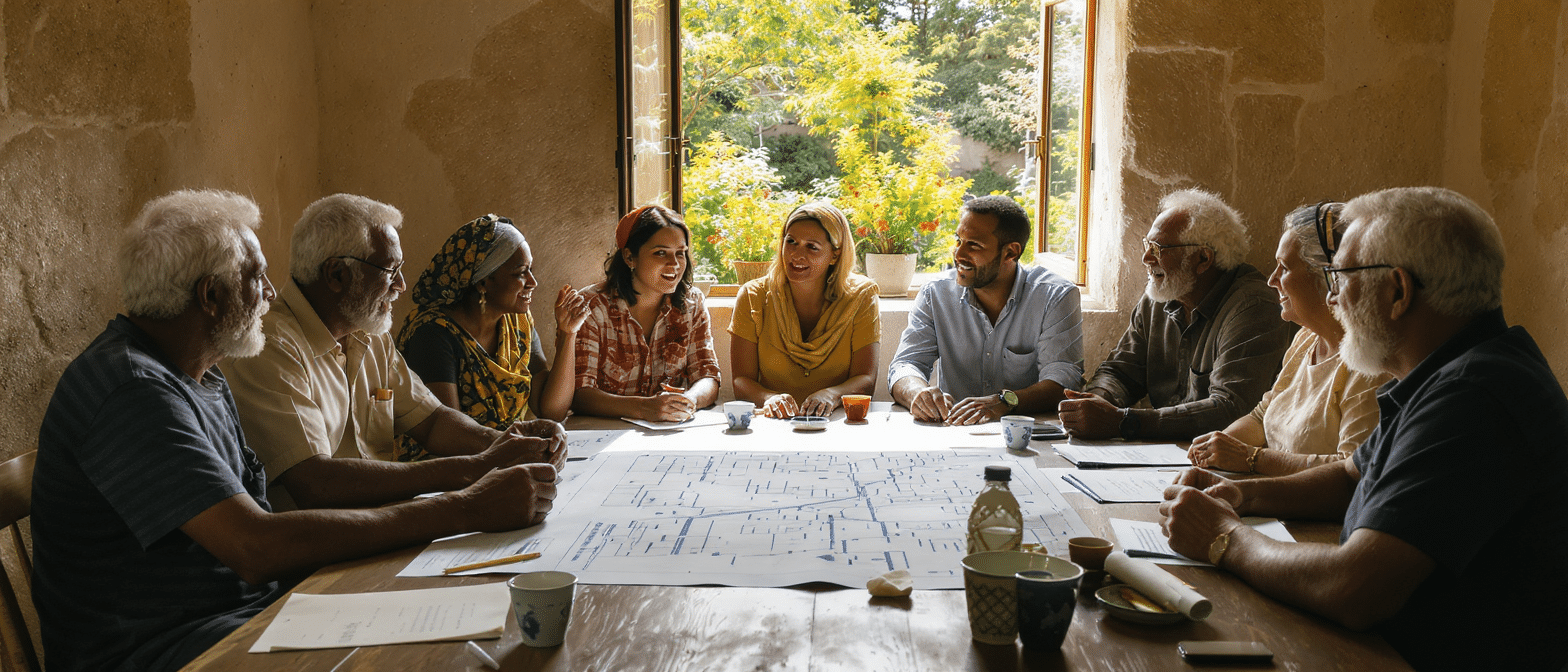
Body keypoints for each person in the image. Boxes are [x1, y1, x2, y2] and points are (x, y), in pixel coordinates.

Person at [31, 190, 556, 672]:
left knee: (464, 633)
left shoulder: (200, 374)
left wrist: (477, 476)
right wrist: (466, 505)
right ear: (211, 295)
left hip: (246, 613)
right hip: (164, 648)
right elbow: (256, 546)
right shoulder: (132, 389)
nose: (269, 294)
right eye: (256, 278)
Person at [1159, 187, 1568, 671]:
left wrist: (1224, 537)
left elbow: (1354, 588)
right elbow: (1351, 476)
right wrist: (1241, 495)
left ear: (1398, 291)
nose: (1332, 296)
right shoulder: (1447, 371)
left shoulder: (1474, 396)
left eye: (1341, 277)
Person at [223, 194, 565, 511]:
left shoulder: (368, 333)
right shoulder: (271, 346)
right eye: (390, 271)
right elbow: (316, 483)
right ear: (337, 274)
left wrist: (507, 443)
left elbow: (432, 421)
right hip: (324, 542)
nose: (401, 285)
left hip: (385, 522)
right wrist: (476, 468)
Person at [1059, 188, 1294, 440]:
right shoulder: (1159, 297)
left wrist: (1123, 421)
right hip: (1163, 451)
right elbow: (1120, 371)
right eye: (1147, 245)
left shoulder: (1253, 306)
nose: (1146, 258)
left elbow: (1230, 408)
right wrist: (1097, 399)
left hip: (1221, 452)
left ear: (1203, 258)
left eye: (1158, 248)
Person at [1187, 202, 1389, 475]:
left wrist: (1250, 458)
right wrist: (1215, 447)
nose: (1272, 280)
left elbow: (1353, 471)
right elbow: (1261, 416)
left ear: (1328, 276)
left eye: (1284, 267)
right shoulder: (1306, 340)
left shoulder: (1369, 366)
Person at [395, 214, 586, 461]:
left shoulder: (517, 324)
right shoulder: (432, 334)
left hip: (503, 456)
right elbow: (451, 438)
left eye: (531, 270)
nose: (533, 282)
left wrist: (568, 333)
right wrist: (517, 448)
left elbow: (551, 410)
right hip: (441, 468)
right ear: (483, 281)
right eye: (521, 273)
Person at [888, 195, 1083, 425]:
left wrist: (1005, 402)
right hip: (954, 431)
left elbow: (1064, 382)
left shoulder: (1055, 296)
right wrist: (917, 393)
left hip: (1027, 433)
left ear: (1010, 252)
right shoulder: (935, 294)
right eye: (958, 241)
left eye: (974, 245)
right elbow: (904, 365)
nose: (959, 255)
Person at [570, 205, 721, 421]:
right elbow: (579, 394)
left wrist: (689, 400)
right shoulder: (592, 306)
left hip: (668, 430)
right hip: (601, 431)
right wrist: (643, 408)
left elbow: (707, 375)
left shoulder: (692, 303)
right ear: (629, 257)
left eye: (680, 253)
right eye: (660, 253)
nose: (674, 264)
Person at [729, 202, 879, 418]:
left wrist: (831, 395)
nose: (796, 255)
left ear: (835, 255)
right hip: (775, 422)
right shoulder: (753, 296)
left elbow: (866, 379)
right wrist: (769, 398)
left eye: (812, 247)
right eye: (791, 242)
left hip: (836, 422)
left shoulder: (862, 296)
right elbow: (741, 381)